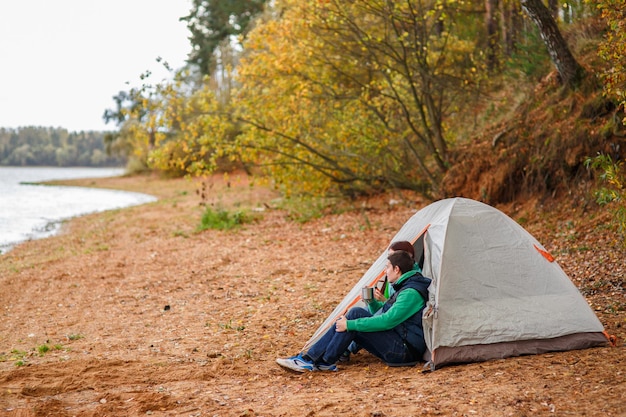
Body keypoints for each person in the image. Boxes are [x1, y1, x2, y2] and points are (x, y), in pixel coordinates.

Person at [276, 250, 431, 372]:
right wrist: (371, 303)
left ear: (397, 269)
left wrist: (349, 325)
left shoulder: (410, 292)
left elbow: (387, 321)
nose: (385, 272)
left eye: (387, 268)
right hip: (399, 342)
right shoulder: (406, 286)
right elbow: (386, 314)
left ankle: (313, 360)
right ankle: (320, 361)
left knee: (353, 318)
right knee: (356, 313)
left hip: (404, 352)